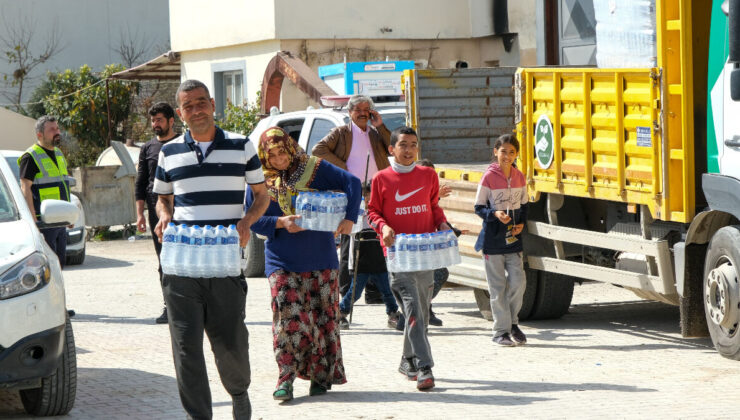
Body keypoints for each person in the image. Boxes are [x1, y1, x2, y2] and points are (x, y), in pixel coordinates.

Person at [153, 80, 270, 420]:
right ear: (180, 114)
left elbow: (262, 194)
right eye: (188, 106)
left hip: (224, 264)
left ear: (213, 104)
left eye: (201, 102)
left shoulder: (241, 145)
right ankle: (199, 416)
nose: (196, 109)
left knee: (230, 343)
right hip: (182, 266)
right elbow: (163, 198)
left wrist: (247, 221)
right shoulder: (169, 151)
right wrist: (164, 217)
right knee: (186, 349)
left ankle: (239, 392)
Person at [245, 126, 361, 402]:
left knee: (323, 319)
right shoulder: (260, 180)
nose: (278, 159)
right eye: (271, 155)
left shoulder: (315, 168)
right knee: (288, 320)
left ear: (289, 147)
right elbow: (252, 218)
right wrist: (279, 222)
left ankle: (320, 377)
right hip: (281, 261)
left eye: (281, 152)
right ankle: (286, 377)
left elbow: (353, 183)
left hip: (321, 258)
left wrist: (349, 218)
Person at [366, 126, 451, 391]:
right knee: (413, 308)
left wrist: (443, 224)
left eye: (413, 144)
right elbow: (372, 213)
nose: (409, 150)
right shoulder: (381, 179)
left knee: (421, 314)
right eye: (403, 145)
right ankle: (425, 367)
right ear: (392, 149)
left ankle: (407, 359)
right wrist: (384, 227)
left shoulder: (428, 175)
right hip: (398, 255)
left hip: (424, 254)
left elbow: (434, 206)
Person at [312, 94, 392, 307]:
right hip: (352, 194)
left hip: (375, 192)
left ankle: (374, 292)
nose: (363, 113)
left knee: (375, 240)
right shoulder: (341, 133)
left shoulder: (376, 133)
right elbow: (317, 150)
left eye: (367, 109)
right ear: (350, 113)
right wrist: (344, 169)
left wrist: (380, 125)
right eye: (358, 109)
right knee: (350, 242)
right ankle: (346, 291)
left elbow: (392, 147)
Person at [473, 134, 529, 347]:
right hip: (492, 240)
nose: (507, 156)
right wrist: (495, 214)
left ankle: (512, 324)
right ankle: (500, 331)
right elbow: (478, 207)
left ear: (517, 155)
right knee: (497, 288)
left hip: (513, 240)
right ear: (495, 151)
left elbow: (524, 206)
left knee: (518, 283)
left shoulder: (520, 176)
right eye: (503, 151)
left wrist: (521, 223)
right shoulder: (488, 177)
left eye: (512, 152)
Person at [135, 102, 178, 325]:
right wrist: (140, 214)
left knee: (182, 257)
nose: (155, 124)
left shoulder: (182, 144)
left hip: (181, 210)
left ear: (171, 121)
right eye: (153, 120)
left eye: (159, 120)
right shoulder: (147, 148)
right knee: (163, 259)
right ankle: (168, 306)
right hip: (155, 210)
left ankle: (186, 305)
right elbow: (141, 182)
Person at [18, 116, 72, 268]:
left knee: (60, 266)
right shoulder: (30, 157)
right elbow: (25, 188)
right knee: (48, 267)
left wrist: (69, 215)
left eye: (57, 128)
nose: (57, 132)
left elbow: (64, 186)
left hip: (60, 220)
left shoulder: (59, 154)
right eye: (52, 129)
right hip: (44, 222)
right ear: (39, 135)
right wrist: (33, 219)